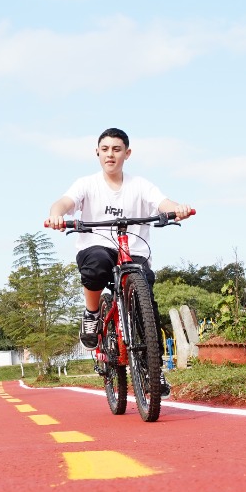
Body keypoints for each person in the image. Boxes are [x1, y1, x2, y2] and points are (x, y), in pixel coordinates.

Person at [44, 127, 193, 350]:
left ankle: (153, 368)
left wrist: (178, 208)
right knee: (98, 263)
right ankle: (92, 313)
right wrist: (56, 214)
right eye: (105, 149)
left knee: (147, 303)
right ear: (97, 153)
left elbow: (163, 203)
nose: (110, 154)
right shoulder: (86, 184)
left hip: (134, 251)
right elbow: (64, 202)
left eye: (116, 149)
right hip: (97, 246)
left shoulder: (141, 185)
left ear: (127, 153)